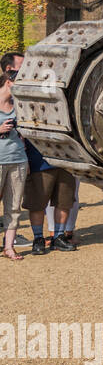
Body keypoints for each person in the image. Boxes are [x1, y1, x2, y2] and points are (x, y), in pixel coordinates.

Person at [22, 136, 77, 253]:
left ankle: (58, 236)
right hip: (38, 161)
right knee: (37, 203)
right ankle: (38, 239)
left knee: (64, 201)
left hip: (66, 159)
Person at [0, 73, 29, 261]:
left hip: (18, 159)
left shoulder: (19, 105)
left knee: (14, 206)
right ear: (9, 83)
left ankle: (9, 247)